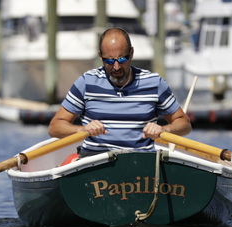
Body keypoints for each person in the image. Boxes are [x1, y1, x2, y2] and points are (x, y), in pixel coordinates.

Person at [48, 27, 191, 156]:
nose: (116, 67)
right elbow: (55, 127)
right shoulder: (86, 82)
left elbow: (184, 124)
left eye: (122, 59)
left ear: (132, 53)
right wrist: (82, 130)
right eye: (109, 61)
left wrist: (163, 130)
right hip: (95, 161)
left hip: (141, 162)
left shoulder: (154, 83)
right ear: (100, 56)